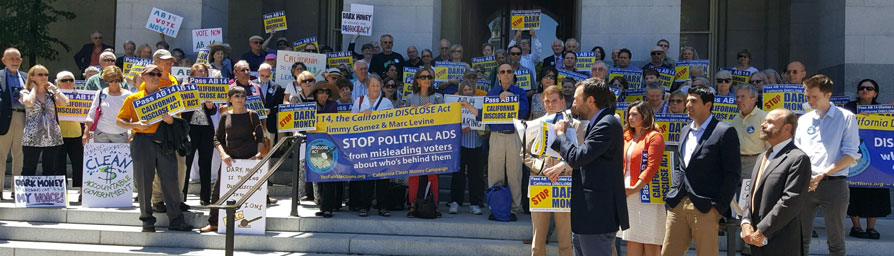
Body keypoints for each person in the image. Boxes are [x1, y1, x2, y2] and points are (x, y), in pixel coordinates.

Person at [551, 78, 628, 255]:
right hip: (587, 214)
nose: (574, 104)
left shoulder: (606, 123)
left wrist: (561, 135)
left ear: (591, 100)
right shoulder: (598, 123)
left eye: (577, 99)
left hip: (598, 214)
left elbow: (577, 158)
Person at [662, 86, 741, 255]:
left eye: (694, 101)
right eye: (687, 101)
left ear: (708, 105)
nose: (688, 105)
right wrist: (672, 195)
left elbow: (732, 173)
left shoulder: (724, 131)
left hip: (706, 207)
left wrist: (718, 207)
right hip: (678, 203)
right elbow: (681, 167)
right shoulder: (685, 130)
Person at [117, 64, 192, 232]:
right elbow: (120, 121)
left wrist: (170, 120)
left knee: (171, 181)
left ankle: (176, 220)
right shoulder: (133, 98)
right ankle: (147, 221)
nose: (156, 76)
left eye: (158, 74)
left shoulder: (169, 97)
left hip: (165, 142)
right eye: (152, 73)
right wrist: (136, 124)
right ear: (143, 76)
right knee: (144, 182)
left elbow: (179, 121)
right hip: (142, 141)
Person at [795, 75, 860, 256]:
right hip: (805, 182)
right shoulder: (804, 120)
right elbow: (798, 153)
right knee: (800, 238)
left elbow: (850, 155)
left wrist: (821, 174)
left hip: (834, 183)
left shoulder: (846, 118)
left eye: (814, 96)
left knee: (836, 241)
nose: (810, 100)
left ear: (828, 95)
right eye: (807, 96)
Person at [741, 108, 811, 255]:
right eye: (764, 120)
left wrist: (763, 231)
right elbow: (751, 194)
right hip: (755, 241)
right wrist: (746, 222)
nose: (763, 125)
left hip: (781, 242)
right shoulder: (762, 157)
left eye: (770, 122)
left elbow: (791, 200)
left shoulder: (797, 158)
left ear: (787, 128)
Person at [522, 86, 580, 256]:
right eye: (547, 101)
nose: (551, 104)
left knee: (565, 240)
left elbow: (581, 154)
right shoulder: (534, 125)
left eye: (554, 100)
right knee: (538, 240)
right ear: (542, 102)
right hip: (540, 181)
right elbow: (524, 154)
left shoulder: (575, 125)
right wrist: (542, 168)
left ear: (563, 101)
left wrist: (564, 166)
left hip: (565, 182)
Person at [199, 86, 266, 232]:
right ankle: (214, 222)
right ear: (230, 99)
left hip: (249, 159)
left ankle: (251, 223)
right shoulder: (225, 116)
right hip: (230, 160)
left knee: (249, 192)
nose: (240, 99)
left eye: (242, 96)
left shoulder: (252, 114)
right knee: (218, 191)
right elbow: (217, 139)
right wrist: (223, 155)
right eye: (236, 96)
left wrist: (258, 154)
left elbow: (260, 137)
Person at [617, 101, 666, 256]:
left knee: (650, 239)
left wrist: (635, 188)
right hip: (627, 192)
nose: (630, 118)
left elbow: (652, 166)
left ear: (645, 116)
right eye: (629, 114)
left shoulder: (654, 136)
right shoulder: (626, 136)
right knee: (633, 237)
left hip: (647, 194)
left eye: (634, 114)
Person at [843, 79, 889, 240]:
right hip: (856, 157)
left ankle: (871, 228)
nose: (865, 90)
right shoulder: (849, 108)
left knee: (875, 193)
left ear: (875, 93)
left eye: (869, 88)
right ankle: (856, 227)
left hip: (876, 159)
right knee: (854, 191)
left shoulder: (883, 109)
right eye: (862, 88)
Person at [487, 64, 530, 219]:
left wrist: (510, 99)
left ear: (513, 75)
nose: (506, 74)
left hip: (514, 136)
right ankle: (495, 206)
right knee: (495, 173)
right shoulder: (491, 93)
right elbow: (485, 115)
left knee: (514, 174)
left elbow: (524, 111)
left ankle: (513, 209)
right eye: (502, 72)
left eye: (509, 72)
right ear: (498, 75)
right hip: (496, 135)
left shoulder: (520, 92)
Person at [349, 74, 394, 217]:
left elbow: (392, 122)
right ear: (367, 86)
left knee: (382, 177)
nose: (375, 88)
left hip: (382, 143)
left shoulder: (386, 102)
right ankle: (364, 206)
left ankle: (383, 206)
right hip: (365, 144)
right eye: (372, 85)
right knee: (366, 177)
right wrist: (362, 115)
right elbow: (351, 120)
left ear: (381, 86)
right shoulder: (359, 101)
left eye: (377, 85)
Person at [403, 68, 443, 218]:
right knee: (414, 174)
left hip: (433, 141)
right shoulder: (409, 98)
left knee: (433, 175)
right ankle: (413, 204)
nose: (427, 79)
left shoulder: (438, 98)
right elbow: (402, 121)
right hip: (414, 141)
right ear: (417, 80)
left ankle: (435, 204)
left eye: (429, 77)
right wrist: (409, 112)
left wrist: (435, 110)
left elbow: (445, 119)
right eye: (423, 77)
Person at [180, 64, 218, 205]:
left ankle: (205, 198)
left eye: (205, 71)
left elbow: (213, 110)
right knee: (187, 163)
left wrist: (211, 106)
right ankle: (181, 197)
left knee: (205, 163)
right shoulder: (185, 84)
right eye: (200, 71)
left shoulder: (209, 86)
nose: (203, 73)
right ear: (193, 73)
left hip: (206, 129)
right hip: (190, 128)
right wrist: (185, 89)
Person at [20, 65, 68, 177]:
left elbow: (65, 102)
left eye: (46, 74)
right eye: (40, 74)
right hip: (32, 136)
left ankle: (47, 193)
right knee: (29, 168)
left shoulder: (50, 93)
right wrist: (34, 89)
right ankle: (27, 193)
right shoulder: (25, 92)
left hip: (53, 135)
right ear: (32, 77)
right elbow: (29, 102)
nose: (44, 77)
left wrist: (54, 89)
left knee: (50, 169)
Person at [450, 80, 485, 216]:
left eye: (470, 89)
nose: (467, 92)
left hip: (476, 143)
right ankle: (455, 202)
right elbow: (450, 121)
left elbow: (483, 121)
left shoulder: (479, 103)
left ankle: (474, 203)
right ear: (460, 92)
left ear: (474, 91)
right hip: (460, 144)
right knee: (458, 174)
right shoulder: (455, 103)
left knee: (475, 175)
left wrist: (473, 127)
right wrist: (459, 129)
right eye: (465, 90)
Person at [310, 82, 341, 218]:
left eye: (326, 93)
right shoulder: (309, 106)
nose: (323, 95)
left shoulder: (333, 105)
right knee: (319, 176)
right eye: (320, 92)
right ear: (316, 94)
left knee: (328, 177)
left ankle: (328, 208)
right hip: (314, 143)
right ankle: (323, 206)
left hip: (330, 144)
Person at [53, 71, 85, 198]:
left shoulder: (80, 94)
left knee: (79, 164)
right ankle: (61, 193)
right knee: (58, 165)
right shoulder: (52, 94)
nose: (68, 82)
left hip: (76, 133)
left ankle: (83, 192)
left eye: (71, 80)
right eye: (64, 80)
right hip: (57, 134)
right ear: (58, 83)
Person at [0, 48, 27, 199]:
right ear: (4, 60)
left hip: (22, 118)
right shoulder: (0, 76)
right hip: (4, 119)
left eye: (17, 58)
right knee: (0, 156)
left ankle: (17, 191)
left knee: (19, 155)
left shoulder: (26, 77)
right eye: (11, 59)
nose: (15, 61)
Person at [732, 83, 770, 189]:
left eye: (743, 97)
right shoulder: (735, 119)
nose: (739, 100)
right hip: (736, 163)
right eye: (737, 97)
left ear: (753, 99)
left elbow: (770, 146)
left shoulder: (764, 117)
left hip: (755, 162)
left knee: (750, 198)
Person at [84, 66, 132, 144]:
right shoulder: (100, 93)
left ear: (120, 80)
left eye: (116, 80)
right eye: (111, 80)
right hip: (101, 133)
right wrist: (86, 132)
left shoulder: (128, 95)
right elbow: (91, 114)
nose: (114, 83)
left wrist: (131, 135)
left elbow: (133, 117)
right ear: (106, 80)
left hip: (121, 134)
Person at [256, 63, 286, 144]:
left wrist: (271, 110)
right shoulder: (251, 85)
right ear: (258, 72)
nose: (264, 78)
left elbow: (279, 106)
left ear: (271, 74)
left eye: (267, 76)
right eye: (262, 75)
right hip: (253, 123)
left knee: (269, 150)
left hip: (269, 123)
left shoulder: (277, 87)